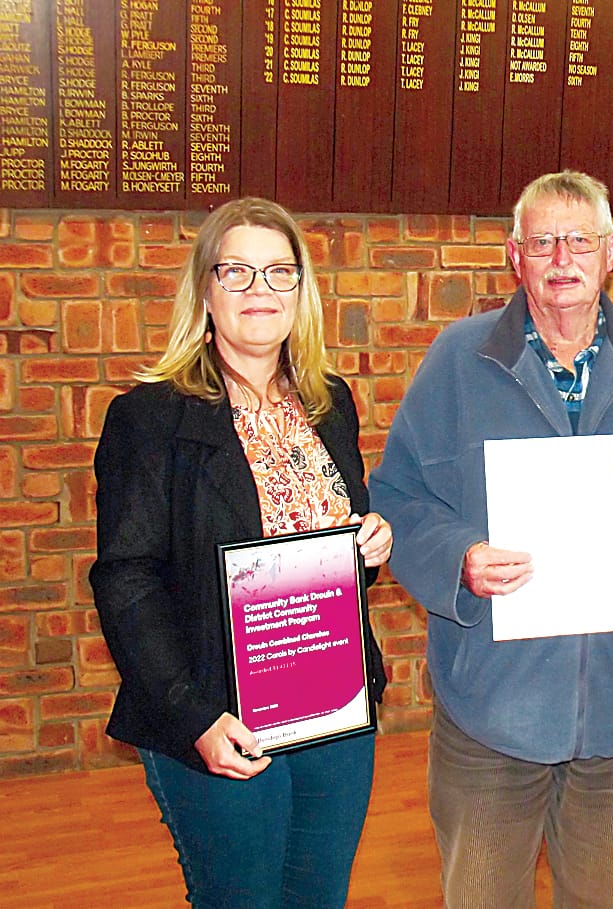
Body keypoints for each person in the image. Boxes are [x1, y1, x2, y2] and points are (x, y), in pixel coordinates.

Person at [369, 170, 613, 907]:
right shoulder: (458, 361)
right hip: (490, 710)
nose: (561, 259)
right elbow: (400, 497)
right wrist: (459, 559)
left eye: (579, 239)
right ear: (514, 256)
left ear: (611, 252)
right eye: (542, 241)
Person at [90, 197, 393, 908]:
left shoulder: (329, 401)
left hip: (332, 711)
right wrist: (191, 715)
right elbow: (126, 579)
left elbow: (333, 547)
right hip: (219, 719)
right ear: (205, 290)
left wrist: (369, 547)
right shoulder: (150, 416)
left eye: (279, 272)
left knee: (319, 897)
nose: (260, 290)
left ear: (302, 290)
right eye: (237, 272)